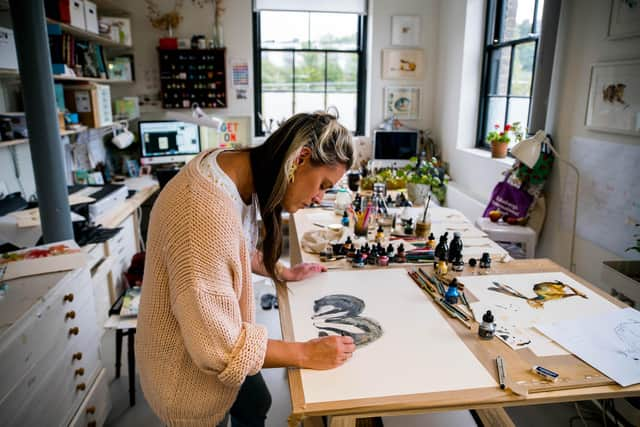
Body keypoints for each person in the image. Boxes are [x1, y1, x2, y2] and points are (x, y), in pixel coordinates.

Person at [136, 112, 357, 427]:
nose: (319, 198)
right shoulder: (203, 213)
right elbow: (219, 350)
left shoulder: (233, 170)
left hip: (209, 335)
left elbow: (233, 250)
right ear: (301, 158)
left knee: (257, 401)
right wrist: (307, 354)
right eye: (322, 184)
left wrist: (280, 271)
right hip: (187, 378)